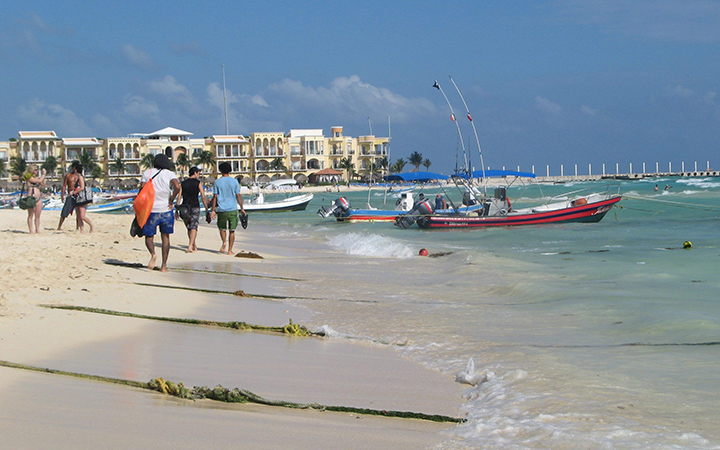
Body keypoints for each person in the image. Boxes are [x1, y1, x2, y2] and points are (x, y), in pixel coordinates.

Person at [141, 154, 181, 272]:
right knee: (165, 238)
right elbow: (177, 187)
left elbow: (142, 188)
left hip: (151, 209)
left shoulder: (147, 173)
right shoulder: (169, 174)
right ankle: (164, 266)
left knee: (149, 236)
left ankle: (153, 253)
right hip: (166, 210)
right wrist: (171, 199)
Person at [210, 162, 245, 255]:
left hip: (221, 209)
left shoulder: (217, 182)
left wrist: (213, 210)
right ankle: (230, 250)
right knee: (232, 230)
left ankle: (224, 242)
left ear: (220, 170)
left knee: (222, 228)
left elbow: (215, 197)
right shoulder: (234, 181)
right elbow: (238, 195)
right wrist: (242, 207)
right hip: (232, 208)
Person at [177, 166, 209, 253]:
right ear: (195, 173)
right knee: (194, 226)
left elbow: (179, 197)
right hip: (195, 206)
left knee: (189, 227)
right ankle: (190, 246)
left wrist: (177, 210)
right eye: (198, 173)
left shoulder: (182, 183)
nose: (199, 174)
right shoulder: (198, 183)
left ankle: (193, 245)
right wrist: (206, 209)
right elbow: (203, 196)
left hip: (184, 208)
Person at [22, 165, 46, 234]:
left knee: (38, 216)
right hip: (31, 198)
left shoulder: (35, 178)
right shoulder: (29, 177)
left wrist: (44, 178)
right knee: (31, 215)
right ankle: (31, 230)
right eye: (35, 170)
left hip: (38, 198)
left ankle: (37, 229)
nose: (37, 171)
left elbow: (42, 184)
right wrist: (43, 174)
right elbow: (38, 181)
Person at [71, 163, 94, 233]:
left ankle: (91, 226)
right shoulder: (78, 177)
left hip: (82, 198)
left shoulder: (80, 177)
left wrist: (74, 192)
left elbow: (82, 187)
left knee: (82, 216)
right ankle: (82, 230)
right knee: (78, 216)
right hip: (78, 198)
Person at [57, 163, 79, 231]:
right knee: (65, 211)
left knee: (78, 212)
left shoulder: (80, 176)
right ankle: (59, 226)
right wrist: (62, 195)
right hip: (70, 195)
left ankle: (78, 227)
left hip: (78, 195)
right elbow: (64, 185)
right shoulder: (68, 175)